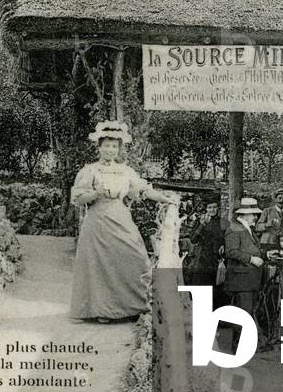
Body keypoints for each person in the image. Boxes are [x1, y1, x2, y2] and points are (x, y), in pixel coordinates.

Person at [69, 121, 178, 323]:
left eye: (114, 146)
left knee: (136, 257)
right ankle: (103, 311)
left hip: (120, 217)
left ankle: (132, 306)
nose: (111, 150)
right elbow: (77, 198)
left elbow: (144, 190)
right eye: (107, 145)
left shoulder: (125, 171)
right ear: (99, 147)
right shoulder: (90, 170)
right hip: (97, 222)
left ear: (119, 148)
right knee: (101, 265)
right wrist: (95, 193)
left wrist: (163, 198)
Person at [224, 197, 265, 348]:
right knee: (243, 313)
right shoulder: (234, 229)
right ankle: (238, 347)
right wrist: (251, 259)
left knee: (246, 312)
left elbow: (253, 249)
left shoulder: (247, 229)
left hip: (248, 279)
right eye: (253, 214)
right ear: (244, 215)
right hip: (241, 280)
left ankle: (242, 345)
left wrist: (265, 255)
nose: (255, 217)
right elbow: (231, 252)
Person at [185, 199, 223, 286]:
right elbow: (193, 239)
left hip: (215, 260)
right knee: (200, 283)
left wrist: (223, 245)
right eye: (209, 207)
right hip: (201, 259)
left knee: (214, 287)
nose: (212, 210)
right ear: (206, 209)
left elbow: (224, 238)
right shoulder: (199, 221)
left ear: (218, 208)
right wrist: (202, 225)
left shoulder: (221, 222)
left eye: (214, 207)